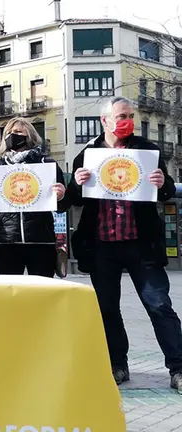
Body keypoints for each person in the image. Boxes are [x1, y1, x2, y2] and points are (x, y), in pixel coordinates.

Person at [68, 96, 182, 390]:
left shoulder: (147, 150)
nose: (126, 121)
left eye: (130, 115)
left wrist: (162, 183)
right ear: (105, 121)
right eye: (121, 116)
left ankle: (178, 368)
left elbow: (167, 190)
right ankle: (117, 364)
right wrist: (77, 183)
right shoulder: (88, 154)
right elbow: (72, 198)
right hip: (102, 245)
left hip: (141, 244)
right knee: (107, 309)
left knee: (159, 305)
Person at [0, 117, 69, 277]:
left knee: (42, 292)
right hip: (7, 241)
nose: (12, 135)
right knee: (11, 294)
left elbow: (63, 206)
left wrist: (61, 196)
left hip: (41, 240)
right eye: (9, 133)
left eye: (18, 132)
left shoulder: (47, 164)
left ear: (30, 135)